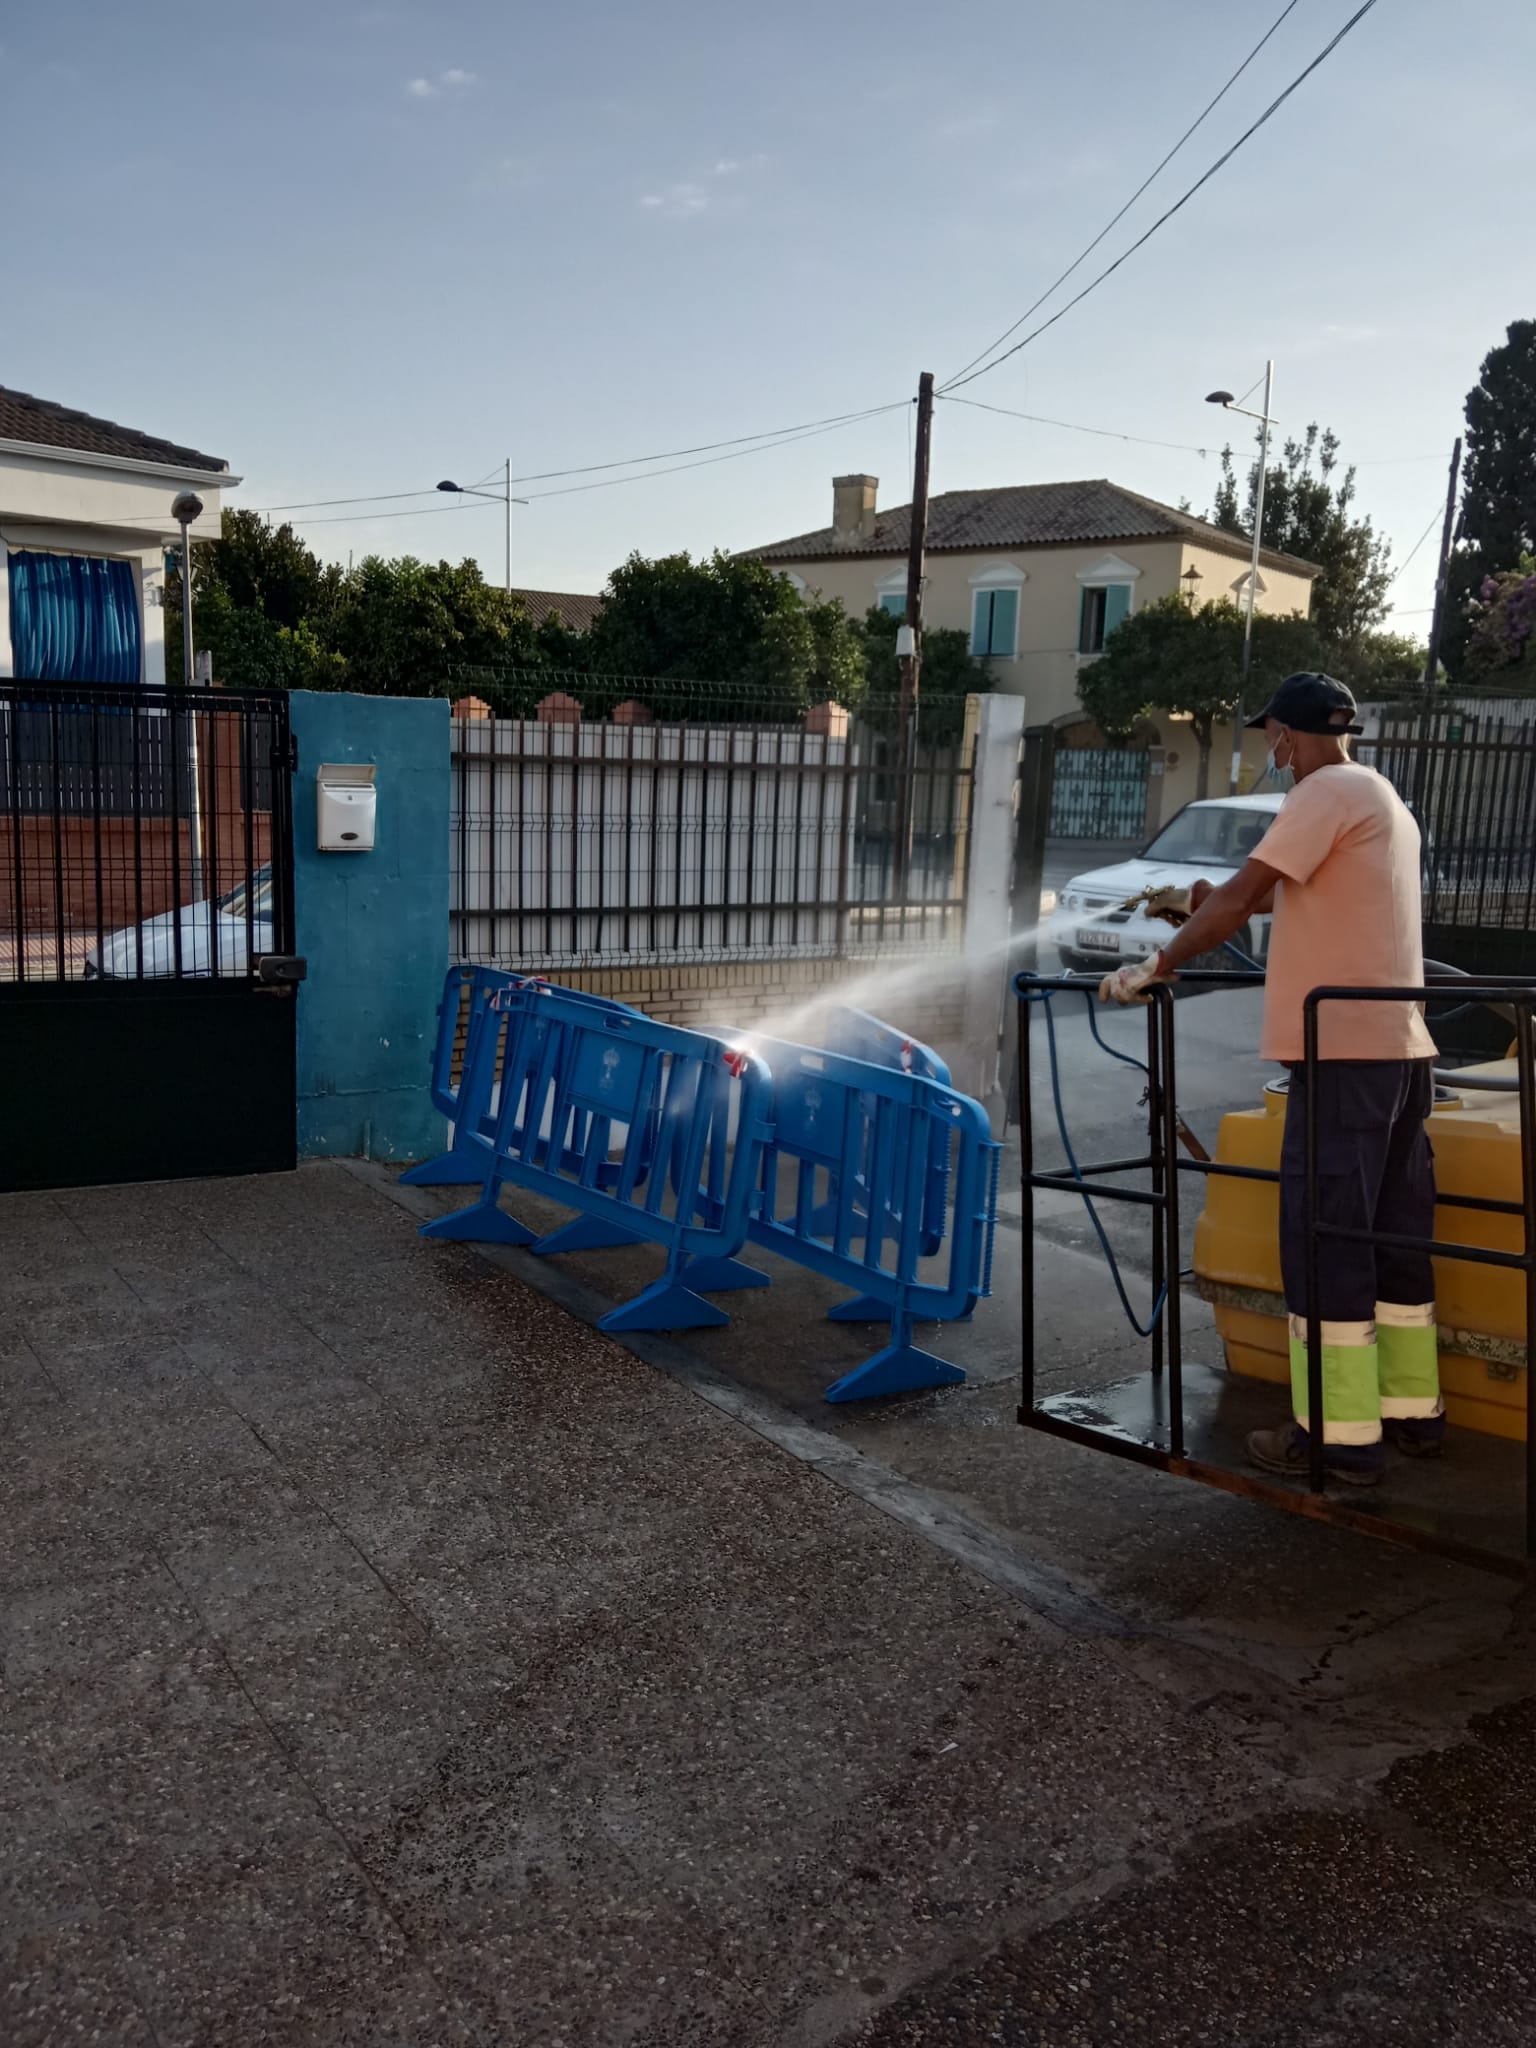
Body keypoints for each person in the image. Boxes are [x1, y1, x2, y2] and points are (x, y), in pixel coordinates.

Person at [1099, 672, 1444, 1488]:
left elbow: (1250, 892)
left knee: (1323, 1242)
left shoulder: (1321, 791)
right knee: (1390, 1235)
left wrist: (1159, 964)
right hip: (1399, 1052)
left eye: (1272, 738)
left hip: (1344, 1057)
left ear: (1286, 736)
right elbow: (1264, 897)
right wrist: (1195, 903)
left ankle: (1336, 1438)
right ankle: (1408, 1412)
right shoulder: (1379, 797)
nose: (1273, 750)